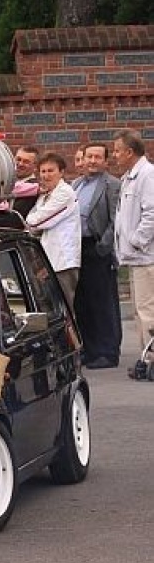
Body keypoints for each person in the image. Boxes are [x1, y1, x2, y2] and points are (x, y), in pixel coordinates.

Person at [72, 144, 122, 368]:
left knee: (102, 302)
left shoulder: (112, 185)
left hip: (97, 247)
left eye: (97, 157)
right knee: (83, 302)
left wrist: (104, 246)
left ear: (105, 161)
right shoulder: (77, 184)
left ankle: (107, 351)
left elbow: (116, 220)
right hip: (77, 248)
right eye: (88, 156)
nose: (92, 161)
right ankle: (89, 350)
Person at [113, 129, 154, 378]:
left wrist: (137, 241)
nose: (114, 155)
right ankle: (147, 358)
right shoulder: (131, 177)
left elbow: (151, 213)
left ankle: (150, 361)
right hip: (135, 256)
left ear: (130, 152)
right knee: (141, 311)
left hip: (145, 256)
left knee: (147, 310)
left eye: (117, 150)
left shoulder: (147, 176)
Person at [26, 152, 81, 308]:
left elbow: (37, 222)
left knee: (64, 309)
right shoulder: (45, 195)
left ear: (61, 172)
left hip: (62, 262)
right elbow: (33, 221)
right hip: (48, 260)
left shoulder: (64, 193)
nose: (46, 175)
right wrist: (32, 222)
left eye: (51, 171)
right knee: (49, 308)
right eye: (43, 171)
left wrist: (31, 222)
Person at [10, 145, 40, 218]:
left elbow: (15, 218)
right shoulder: (8, 181)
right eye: (18, 159)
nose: (20, 164)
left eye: (26, 162)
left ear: (35, 167)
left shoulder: (32, 188)